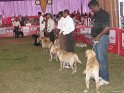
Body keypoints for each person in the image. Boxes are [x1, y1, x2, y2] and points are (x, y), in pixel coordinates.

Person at [88, 0, 110, 86]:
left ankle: (105, 79)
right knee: (97, 59)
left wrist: (99, 36)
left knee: (102, 59)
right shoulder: (95, 15)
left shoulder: (104, 14)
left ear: (96, 5)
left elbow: (107, 28)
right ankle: (99, 75)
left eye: (92, 8)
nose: (91, 10)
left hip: (102, 38)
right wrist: (93, 37)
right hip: (96, 38)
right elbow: (94, 26)